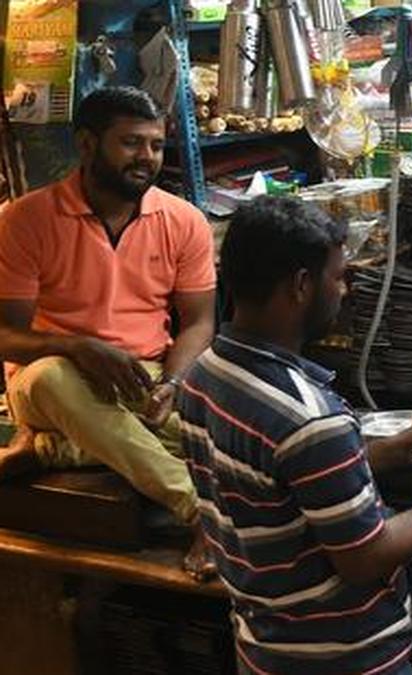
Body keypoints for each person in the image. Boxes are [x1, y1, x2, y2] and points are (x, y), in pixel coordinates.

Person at [178, 195, 412, 675]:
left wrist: (387, 453)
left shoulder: (204, 374)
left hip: (264, 650)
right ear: (299, 286)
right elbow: (365, 558)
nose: (345, 290)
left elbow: (274, 482)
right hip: (345, 659)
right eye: (338, 276)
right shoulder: (310, 418)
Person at [0, 86, 216, 578]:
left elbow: (200, 321)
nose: (147, 158)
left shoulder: (184, 221)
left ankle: (56, 448)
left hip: (145, 377)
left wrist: (172, 383)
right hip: (50, 382)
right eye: (131, 143)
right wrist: (76, 346)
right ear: (86, 145)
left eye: (156, 145)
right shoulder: (25, 219)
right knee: (55, 377)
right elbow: (5, 335)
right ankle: (198, 510)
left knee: (219, 433)